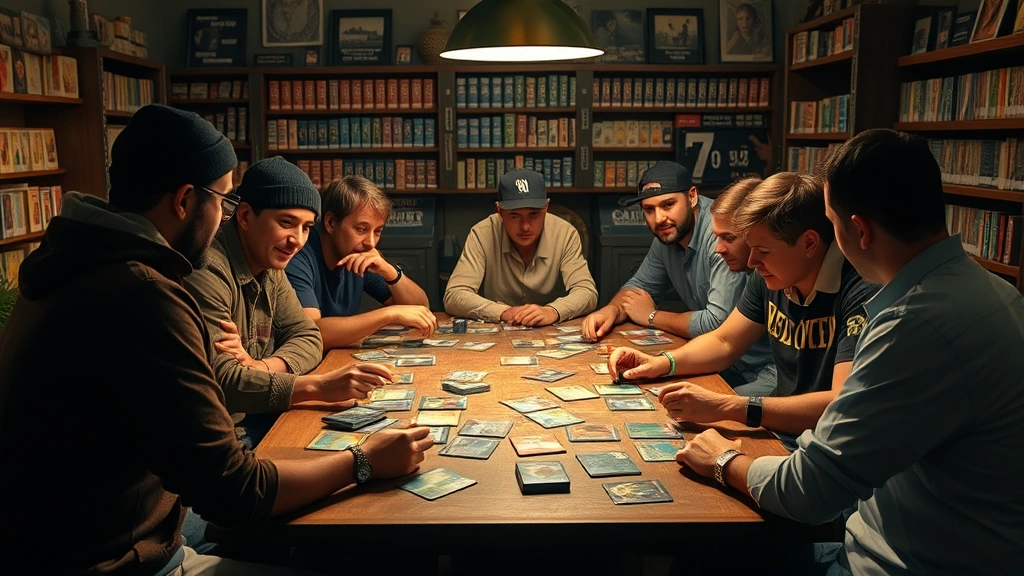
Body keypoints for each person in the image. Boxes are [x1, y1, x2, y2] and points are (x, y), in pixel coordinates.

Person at [0, 104, 432, 575]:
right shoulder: (144, 294)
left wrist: (267, 368)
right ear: (186, 200)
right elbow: (234, 492)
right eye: (224, 201)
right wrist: (364, 460)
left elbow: (306, 333)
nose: (225, 218)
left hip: (119, 538)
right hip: (124, 560)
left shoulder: (79, 262)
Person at [677, 128, 1024, 574]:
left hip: (892, 562)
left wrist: (722, 459)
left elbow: (809, 491)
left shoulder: (913, 324)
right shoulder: (996, 291)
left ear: (858, 230)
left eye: (831, 222)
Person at [610, 172, 878, 442]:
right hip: (782, 431)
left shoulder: (860, 290)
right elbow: (725, 341)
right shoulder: (772, 273)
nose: (751, 262)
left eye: (763, 250)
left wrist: (728, 406)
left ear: (809, 243)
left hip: (828, 443)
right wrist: (659, 363)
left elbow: (841, 404)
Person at [185, 157, 389, 449]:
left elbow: (309, 336)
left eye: (306, 227)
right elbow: (225, 381)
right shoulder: (207, 268)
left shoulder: (270, 264)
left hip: (262, 415)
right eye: (286, 223)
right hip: (221, 436)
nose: (297, 240)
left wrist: (262, 367)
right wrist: (318, 386)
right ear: (245, 216)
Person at [583, 163, 774, 393]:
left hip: (760, 369)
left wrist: (652, 316)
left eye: (668, 205)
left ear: (692, 197)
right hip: (722, 363)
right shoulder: (669, 235)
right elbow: (639, 287)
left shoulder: (722, 234)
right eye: (649, 209)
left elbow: (716, 325)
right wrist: (612, 310)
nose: (659, 218)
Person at [285, 175, 436, 349]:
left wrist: (389, 271)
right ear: (331, 223)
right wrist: (389, 314)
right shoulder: (296, 256)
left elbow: (421, 309)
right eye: (361, 229)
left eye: (377, 231)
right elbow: (311, 333)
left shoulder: (359, 256)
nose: (371, 243)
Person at [444, 169, 597, 326]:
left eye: (533, 214)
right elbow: (455, 295)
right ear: (499, 211)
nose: (525, 226)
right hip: (498, 332)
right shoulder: (482, 233)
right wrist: (504, 312)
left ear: (546, 207)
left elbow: (587, 292)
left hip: (549, 330)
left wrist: (552, 311)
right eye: (514, 215)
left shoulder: (564, 233)